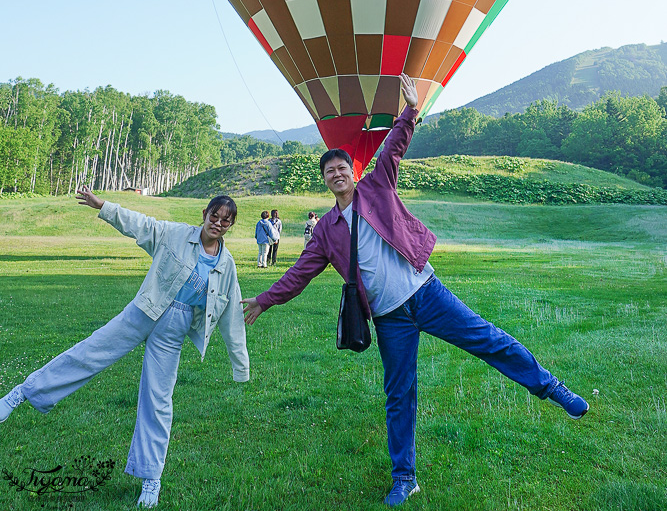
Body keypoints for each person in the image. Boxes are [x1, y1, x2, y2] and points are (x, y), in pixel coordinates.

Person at [242, 74, 589, 507]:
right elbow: (298, 274)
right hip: (389, 320)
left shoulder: (377, 186)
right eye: (329, 171)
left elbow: (393, 146)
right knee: (399, 394)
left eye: (342, 168)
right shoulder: (326, 231)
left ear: (354, 172)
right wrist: (263, 299)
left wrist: (409, 110)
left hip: (427, 293)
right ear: (325, 181)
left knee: (488, 339)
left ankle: (552, 388)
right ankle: (404, 478)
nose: (337, 174)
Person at [0, 188, 249, 508]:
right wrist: (102, 206)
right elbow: (139, 224)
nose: (217, 223)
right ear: (204, 214)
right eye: (214, 216)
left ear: (230, 226)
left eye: (225, 221)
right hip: (143, 311)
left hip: (174, 328)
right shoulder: (174, 234)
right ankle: (20, 393)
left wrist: (239, 365)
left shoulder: (225, 265)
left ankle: (151, 478)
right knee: (89, 353)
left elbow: (230, 317)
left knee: (159, 400)